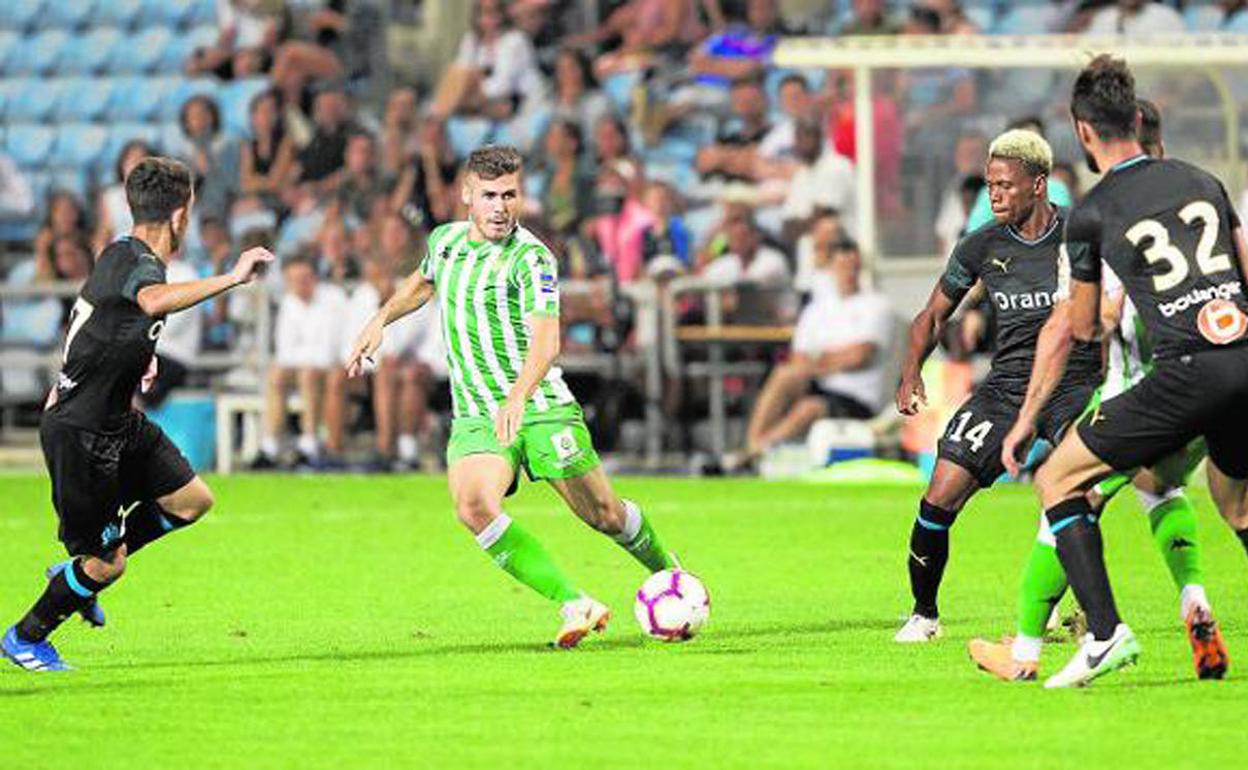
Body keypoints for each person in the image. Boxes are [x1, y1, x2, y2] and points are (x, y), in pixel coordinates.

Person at [344, 145, 681, 648]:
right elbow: (421, 283)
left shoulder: (533, 258)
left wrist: (519, 394)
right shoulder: (446, 242)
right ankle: (575, 602)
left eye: (510, 195)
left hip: (540, 405)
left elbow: (547, 339)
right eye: (489, 196)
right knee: (472, 505)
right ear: (466, 197)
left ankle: (674, 578)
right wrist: (379, 319)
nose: (501, 207)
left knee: (604, 515)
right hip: (480, 413)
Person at [994, 55, 1248, 688]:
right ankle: (1177, 602)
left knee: (1057, 479)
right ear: (1137, 118)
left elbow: (1078, 328)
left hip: (1181, 373)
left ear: (1082, 132)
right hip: (1243, 358)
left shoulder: (1092, 212)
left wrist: (1027, 418)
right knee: (1236, 505)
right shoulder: (1202, 180)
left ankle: (1106, 634)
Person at [1, 157, 273, 672]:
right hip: (83, 435)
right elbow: (151, 302)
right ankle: (26, 636)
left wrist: (136, 357)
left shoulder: (121, 253)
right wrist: (234, 276)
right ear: (180, 214)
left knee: (192, 500)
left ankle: (78, 572)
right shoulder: (143, 269)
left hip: (116, 422)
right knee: (109, 564)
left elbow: (95, 324)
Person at [893, 129, 1102, 643]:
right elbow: (932, 315)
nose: (995, 195)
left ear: (1039, 184)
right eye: (990, 185)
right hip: (1006, 388)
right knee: (939, 494)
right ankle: (923, 613)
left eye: (1006, 185)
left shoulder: (1081, 232)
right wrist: (910, 371)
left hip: (1075, 385)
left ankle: (1067, 607)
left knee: (1083, 490)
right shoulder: (982, 244)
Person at [730, 237, 892, 470]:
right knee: (785, 374)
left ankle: (754, 453)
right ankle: (753, 446)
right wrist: (833, 359)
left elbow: (860, 356)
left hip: (857, 397)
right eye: (842, 266)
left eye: (852, 266)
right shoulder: (817, 308)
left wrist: (820, 359)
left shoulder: (877, 305)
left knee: (810, 407)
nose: (848, 272)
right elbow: (799, 359)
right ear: (832, 267)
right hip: (822, 384)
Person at [252, 254, 348, 470]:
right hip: (304, 367)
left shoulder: (334, 298)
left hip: (334, 366)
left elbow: (330, 348)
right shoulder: (289, 302)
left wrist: (305, 359)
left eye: (304, 278)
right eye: (293, 280)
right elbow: (285, 350)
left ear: (314, 277)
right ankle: (270, 446)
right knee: (277, 375)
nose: (299, 285)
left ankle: (309, 444)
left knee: (308, 374)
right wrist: (305, 359)